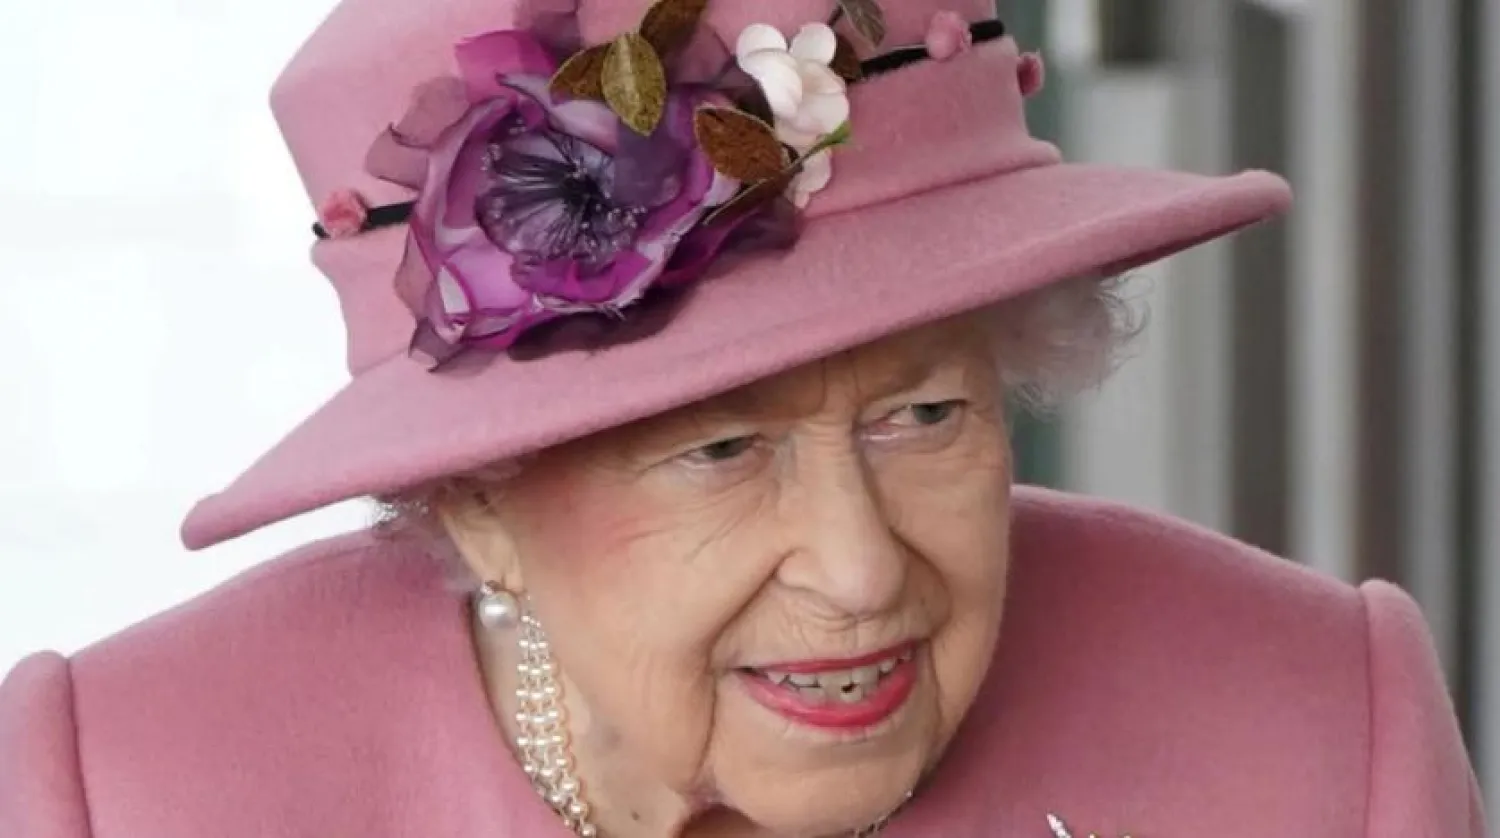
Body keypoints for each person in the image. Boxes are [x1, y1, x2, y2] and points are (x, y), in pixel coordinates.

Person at [0, 0, 1484, 836]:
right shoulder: (131, 792)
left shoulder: (1312, 738)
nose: (858, 569)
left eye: (923, 411)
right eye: (719, 447)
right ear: (475, 499)